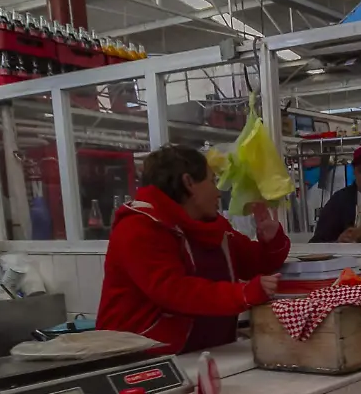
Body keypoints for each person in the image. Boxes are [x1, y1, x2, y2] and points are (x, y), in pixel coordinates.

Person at [97, 144, 291, 355]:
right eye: (212, 181)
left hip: (206, 352)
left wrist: (270, 241)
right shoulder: (138, 227)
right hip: (142, 362)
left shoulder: (213, 226)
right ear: (189, 183)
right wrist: (243, 294)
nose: (218, 192)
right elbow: (174, 290)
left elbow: (253, 265)